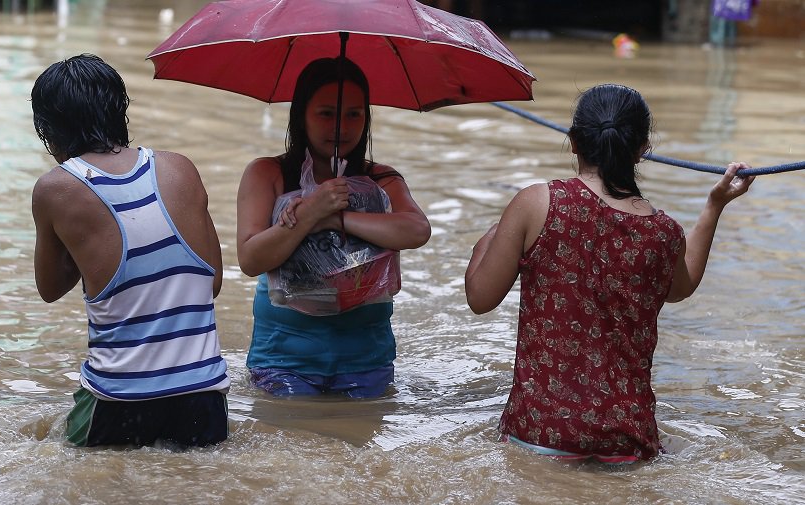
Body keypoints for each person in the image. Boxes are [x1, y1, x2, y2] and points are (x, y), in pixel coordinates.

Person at [464, 84, 755, 463]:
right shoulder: (663, 231)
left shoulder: (536, 203)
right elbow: (680, 287)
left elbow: (479, 298)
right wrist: (714, 205)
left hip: (540, 433)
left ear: (573, 141)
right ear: (643, 149)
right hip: (628, 439)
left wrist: (493, 235)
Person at [30, 54, 230, 447]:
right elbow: (213, 283)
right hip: (204, 396)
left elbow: (49, 288)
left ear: (48, 130)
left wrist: (85, 245)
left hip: (118, 400)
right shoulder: (181, 168)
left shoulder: (55, 189)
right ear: (119, 111)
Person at [236, 57, 431, 398]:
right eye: (326, 114)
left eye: (354, 114)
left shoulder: (380, 179)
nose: (341, 127)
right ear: (301, 116)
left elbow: (416, 231)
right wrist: (311, 212)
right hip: (284, 358)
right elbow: (251, 259)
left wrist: (337, 218)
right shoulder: (267, 174)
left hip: (367, 357)